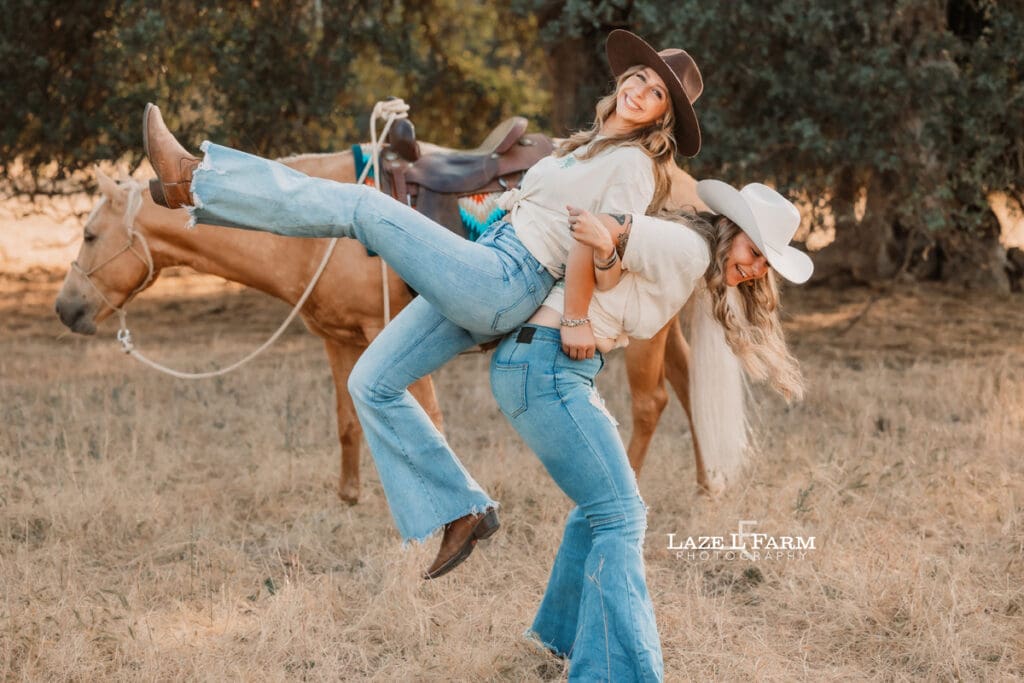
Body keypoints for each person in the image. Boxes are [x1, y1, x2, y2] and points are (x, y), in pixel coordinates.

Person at [142, 30, 704, 578]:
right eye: (639, 77)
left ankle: (198, 180)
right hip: (492, 256)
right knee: (372, 381)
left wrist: (577, 316)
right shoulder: (584, 147)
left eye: (657, 94)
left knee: (363, 204)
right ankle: (460, 508)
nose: (640, 92)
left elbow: (606, 240)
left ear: (662, 117)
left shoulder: (632, 164)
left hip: (507, 277)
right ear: (622, 79)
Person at [489, 179, 813, 681]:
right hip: (547, 364)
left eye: (763, 266)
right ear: (730, 231)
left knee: (600, 510)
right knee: (622, 518)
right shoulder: (686, 247)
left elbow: (612, 254)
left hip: (553, 366)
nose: (753, 269)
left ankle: (555, 640)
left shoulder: (697, 261)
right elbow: (603, 228)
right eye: (753, 252)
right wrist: (576, 317)